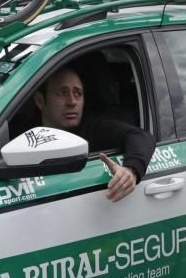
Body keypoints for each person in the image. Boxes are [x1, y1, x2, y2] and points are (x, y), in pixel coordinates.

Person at [35, 65, 156, 202]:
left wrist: (131, 170)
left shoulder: (94, 128)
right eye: (62, 93)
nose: (72, 102)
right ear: (40, 100)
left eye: (78, 93)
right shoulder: (20, 131)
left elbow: (140, 136)